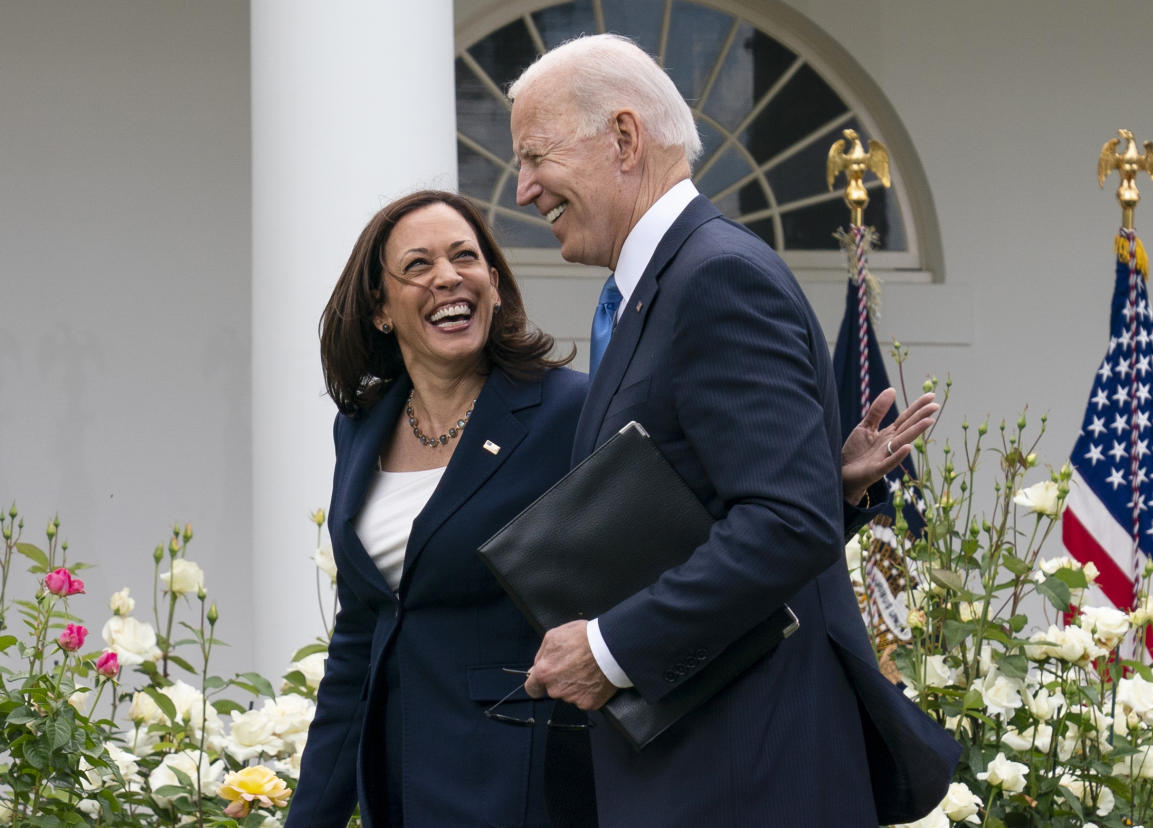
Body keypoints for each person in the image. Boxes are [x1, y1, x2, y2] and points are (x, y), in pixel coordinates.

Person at [509, 34, 960, 826]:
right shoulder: (654, 288)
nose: (520, 189)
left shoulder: (717, 278)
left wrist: (608, 649)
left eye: (536, 156)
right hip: (693, 770)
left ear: (623, 138)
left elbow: (786, 523)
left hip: (740, 777)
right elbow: (753, 502)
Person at [286, 190, 590, 827]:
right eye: (418, 265)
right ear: (380, 311)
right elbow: (359, 642)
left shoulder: (568, 411)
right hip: (399, 787)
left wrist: (837, 491)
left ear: (496, 285)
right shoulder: (361, 428)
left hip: (525, 781)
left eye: (465, 257)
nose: (448, 277)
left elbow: (675, 530)